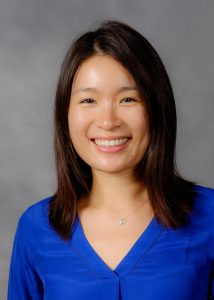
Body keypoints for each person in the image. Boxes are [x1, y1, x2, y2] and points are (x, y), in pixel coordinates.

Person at [7, 19, 214, 300]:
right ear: (64, 115)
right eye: (88, 101)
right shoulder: (37, 227)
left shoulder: (209, 217)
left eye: (128, 99)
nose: (108, 121)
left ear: (157, 108)